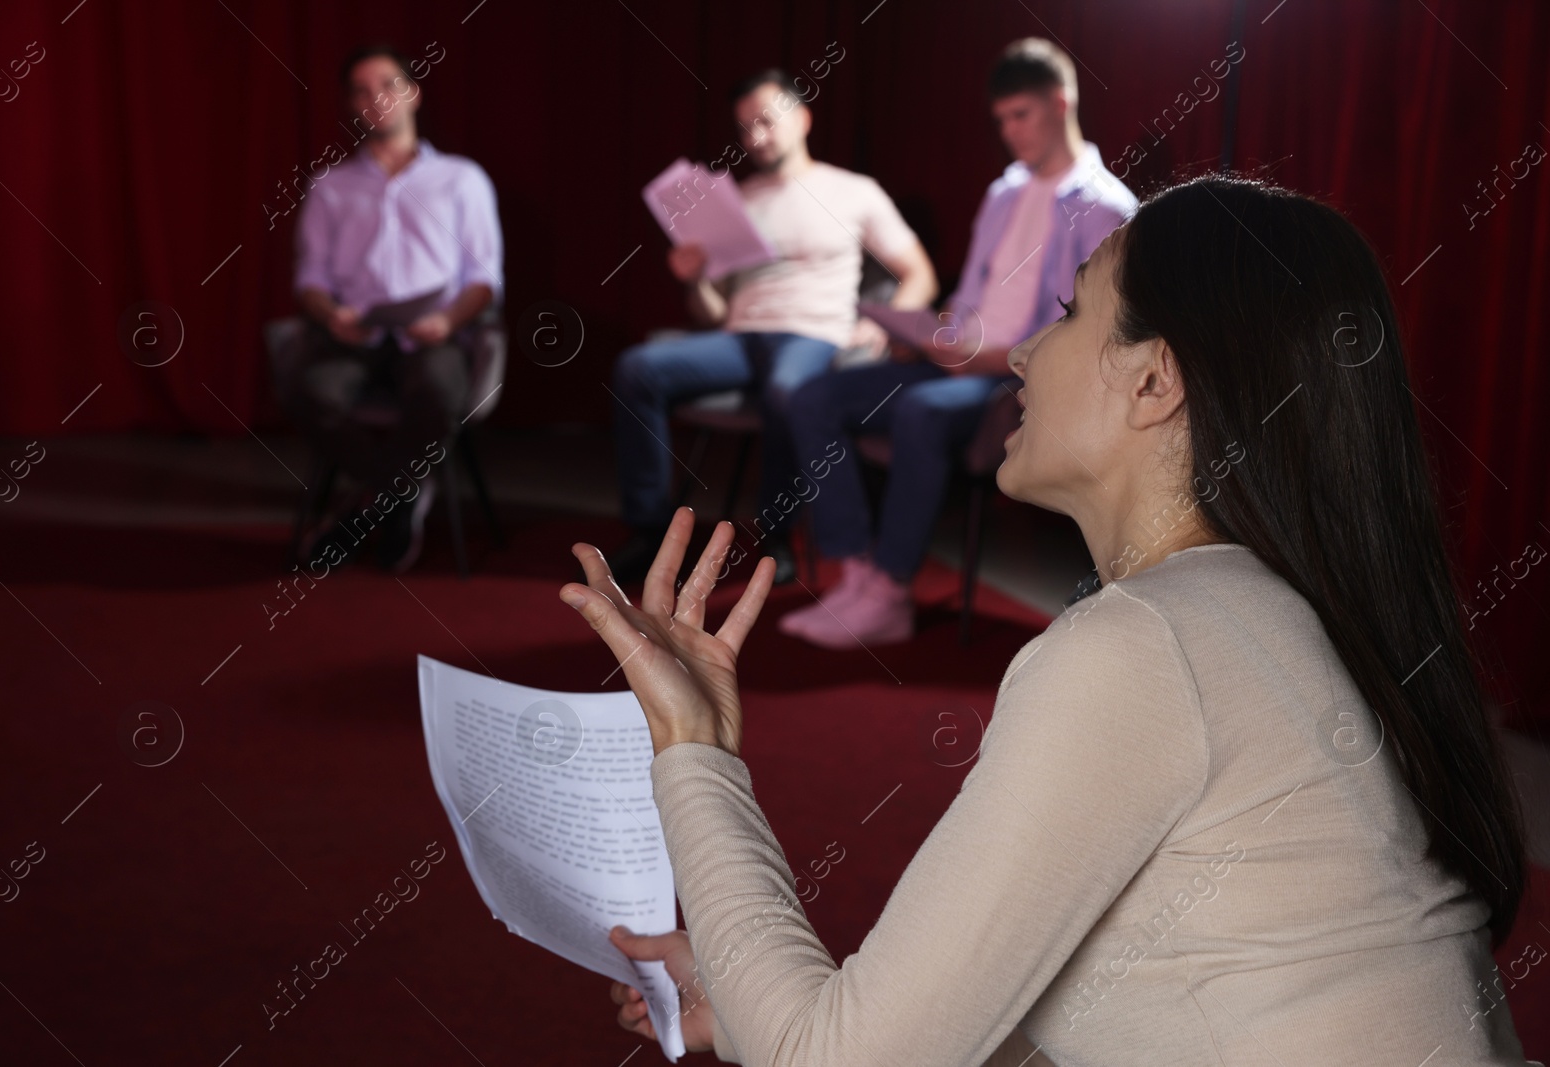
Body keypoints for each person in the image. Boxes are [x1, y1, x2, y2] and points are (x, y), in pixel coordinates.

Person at [561, 176, 1533, 1064]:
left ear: (1154, 380)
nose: (1024, 349)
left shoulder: (1143, 645)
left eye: (1069, 313)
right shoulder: (1261, 610)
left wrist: (694, 746)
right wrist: (751, 998)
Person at [780, 38, 1136, 648]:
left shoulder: (1106, 207)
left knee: (920, 411)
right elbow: (972, 293)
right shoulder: (1002, 193)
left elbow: (1086, 333)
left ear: (1061, 102)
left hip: (1017, 379)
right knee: (813, 396)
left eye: (1021, 114)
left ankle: (890, 593)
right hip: (958, 362)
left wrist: (989, 357)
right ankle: (857, 571)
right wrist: (929, 331)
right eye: (1001, 120)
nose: (1010, 132)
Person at [605, 68, 938, 588]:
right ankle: (650, 530)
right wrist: (695, 281)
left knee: (788, 388)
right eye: (743, 128)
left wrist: (882, 328)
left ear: (802, 118)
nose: (755, 138)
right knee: (636, 369)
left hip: (812, 333)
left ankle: (776, 537)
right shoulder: (737, 199)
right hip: (740, 337)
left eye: (765, 121)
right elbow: (713, 312)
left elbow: (920, 274)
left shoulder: (853, 191)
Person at [285, 44, 503, 573]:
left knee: (438, 391)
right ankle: (399, 495)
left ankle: (364, 505)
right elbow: (310, 279)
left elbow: (484, 279)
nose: (375, 99)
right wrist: (330, 313)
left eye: (386, 85)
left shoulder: (462, 179)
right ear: (350, 106)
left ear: (413, 93)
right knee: (311, 393)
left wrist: (448, 320)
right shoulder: (329, 186)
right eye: (361, 91)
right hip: (352, 332)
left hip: (433, 330)